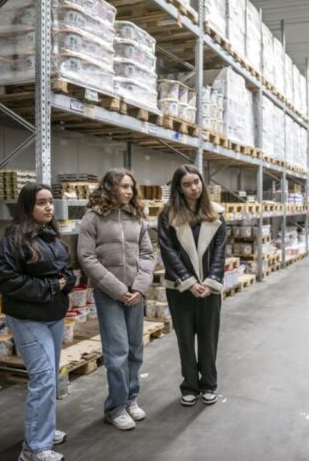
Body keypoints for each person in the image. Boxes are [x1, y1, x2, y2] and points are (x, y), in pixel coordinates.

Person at [0, 183, 76, 461]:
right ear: (28, 206)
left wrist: (68, 281)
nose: (49, 207)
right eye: (41, 203)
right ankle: (34, 449)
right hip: (27, 317)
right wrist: (54, 286)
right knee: (43, 378)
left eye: (50, 202)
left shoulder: (52, 236)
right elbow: (8, 282)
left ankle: (44, 429)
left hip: (52, 315)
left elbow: (66, 271)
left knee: (50, 376)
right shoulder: (13, 239)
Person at [78, 168, 155, 431]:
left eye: (131, 187)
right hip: (109, 295)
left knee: (135, 348)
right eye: (123, 186)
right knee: (117, 352)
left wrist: (140, 287)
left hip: (136, 294)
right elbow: (87, 258)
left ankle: (131, 398)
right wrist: (118, 289)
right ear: (110, 187)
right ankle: (116, 407)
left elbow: (147, 255)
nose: (129, 191)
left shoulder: (138, 218)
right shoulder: (93, 218)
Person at [157, 164, 227, 407]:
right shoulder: (168, 215)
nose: (193, 187)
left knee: (208, 338)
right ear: (179, 188)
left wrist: (211, 282)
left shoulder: (217, 213)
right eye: (187, 184)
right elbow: (168, 252)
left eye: (196, 182)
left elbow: (220, 252)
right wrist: (188, 282)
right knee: (185, 338)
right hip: (180, 289)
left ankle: (208, 384)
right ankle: (189, 385)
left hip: (209, 289)